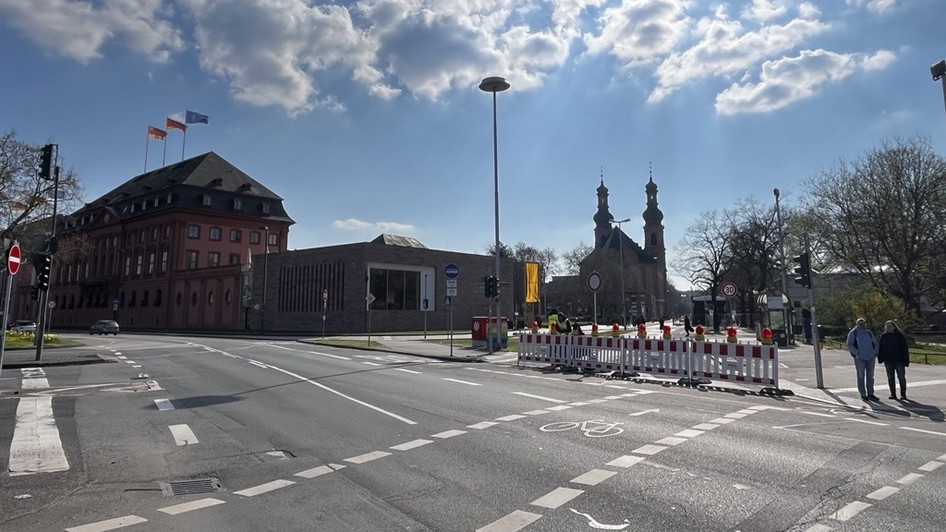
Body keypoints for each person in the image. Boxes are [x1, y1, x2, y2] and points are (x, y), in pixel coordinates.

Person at [847, 318, 880, 401]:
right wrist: (857, 353)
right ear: (856, 324)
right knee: (861, 375)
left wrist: (875, 353)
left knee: (870, 376)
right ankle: (863, 393)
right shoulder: (853, 333)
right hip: (860, 358)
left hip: (870, 357)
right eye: (860, 324)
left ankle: (871, 393)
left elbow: (875, 343)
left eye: (863, 324)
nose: (862, 325)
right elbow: (850, 344)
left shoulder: (868, 333)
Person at [878, 320, 909, 400]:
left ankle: (903, 394)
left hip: (899, 360)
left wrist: (906, 361)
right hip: (888, 360)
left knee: (901, 377)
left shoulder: (900, 336)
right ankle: (893, 394)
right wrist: (880, 358)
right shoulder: (884, 336)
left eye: (890, 326)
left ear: (894, 327)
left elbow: (904, 349)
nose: (888, 328)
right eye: (887, 326)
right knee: (890, 377)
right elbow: (881, 348)